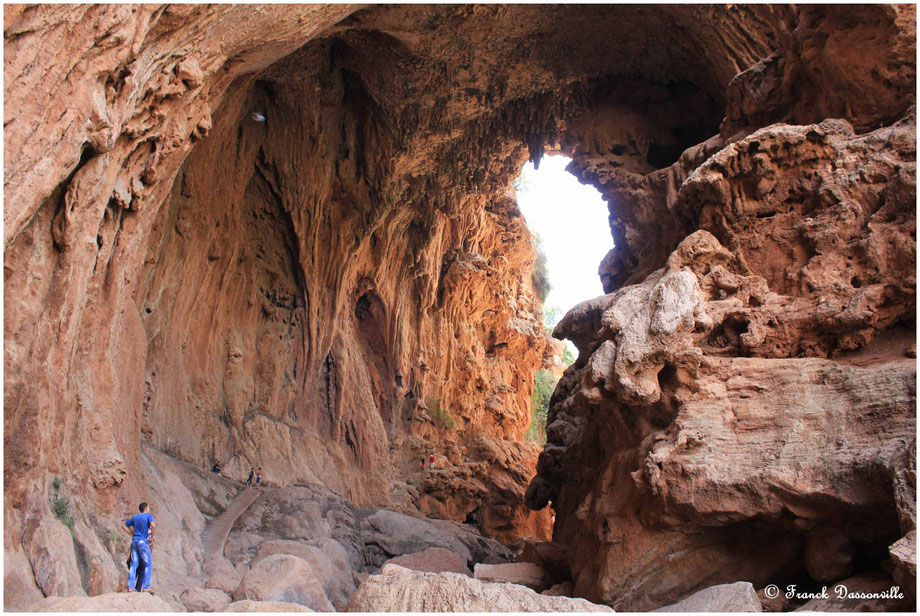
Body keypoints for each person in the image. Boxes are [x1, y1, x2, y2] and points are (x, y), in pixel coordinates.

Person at [124, 502, 155, 593]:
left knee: (134, 564)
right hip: (143, 542)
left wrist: (131, 533)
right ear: (146, 509)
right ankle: (146, 586)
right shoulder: (149, 516)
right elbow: (153, 526)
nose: (149, 509)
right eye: (148, 507)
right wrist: (151, 538)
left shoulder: (135, 517)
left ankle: (130, 587)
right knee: (147, 564)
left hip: (134, 541)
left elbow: (124, 525)